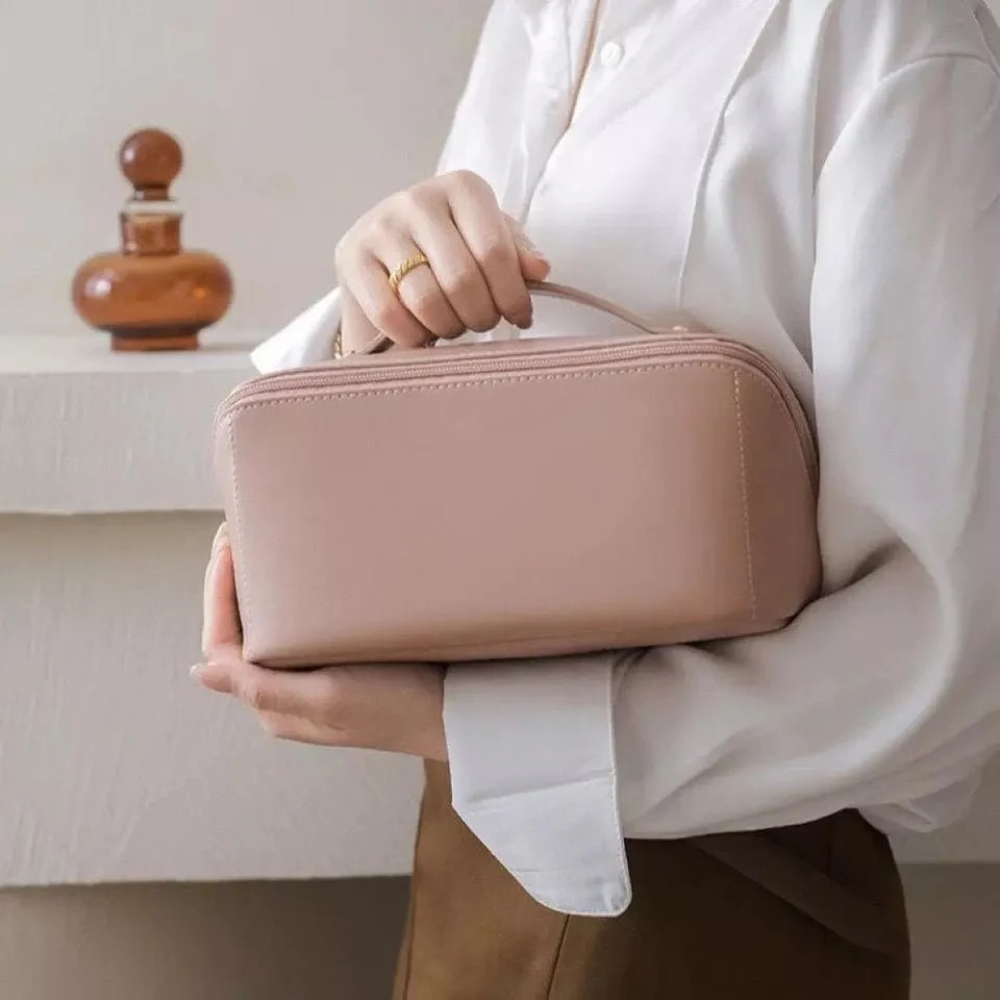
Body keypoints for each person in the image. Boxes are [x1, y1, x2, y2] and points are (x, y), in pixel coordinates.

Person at [193, 1, 1000, 996]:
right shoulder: (541, 14)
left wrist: (471, 729)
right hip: (466, 849)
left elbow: (951, 652)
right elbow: (493, 415)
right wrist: (382, 305)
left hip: (733, 890)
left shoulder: (885, 32)